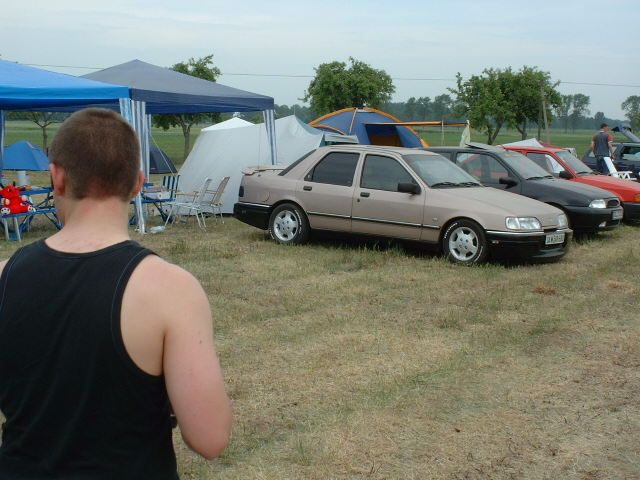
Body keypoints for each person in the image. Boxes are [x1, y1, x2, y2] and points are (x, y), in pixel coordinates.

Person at [0, 108, 232, 479]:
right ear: (138, 182)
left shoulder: (5, 277)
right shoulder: (171, 290)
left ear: (57, 177)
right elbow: (211, 438)